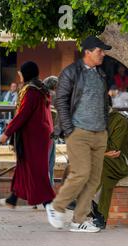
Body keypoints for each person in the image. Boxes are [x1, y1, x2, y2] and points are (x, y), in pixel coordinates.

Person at [45, 35, 112, 233]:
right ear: (88, 52)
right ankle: (56, 206)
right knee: (81, 173)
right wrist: (69, 129)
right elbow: (61, 101)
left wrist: (105, 128)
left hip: (100, 134)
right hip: (79, 132)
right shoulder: (71, 72)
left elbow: (103, 103)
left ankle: (79, 219)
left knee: (94, 179)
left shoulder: (101, 74)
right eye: (100, 51)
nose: (103, 54)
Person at [0, 61, 55, 208]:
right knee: (24, 166)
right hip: (38, 135)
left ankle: (50, 202)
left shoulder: (32, 91)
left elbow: (22, 115)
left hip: (34, 137)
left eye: (21, 73)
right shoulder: (40, 89)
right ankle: (13, 198)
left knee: (37, 170)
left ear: (27, 73)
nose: (19, 76)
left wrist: (7, 132)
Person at [92, 108, 128, 229]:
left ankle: (95, 211)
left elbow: (114, 149)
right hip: (105, 160)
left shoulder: (119, 121)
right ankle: (98, 215)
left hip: (121, 162)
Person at [42, 76, 59, 187]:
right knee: (49, 164)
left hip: (44, 133)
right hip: (51, 133)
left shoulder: (41, 95)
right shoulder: (53, 95)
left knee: (46, 164)